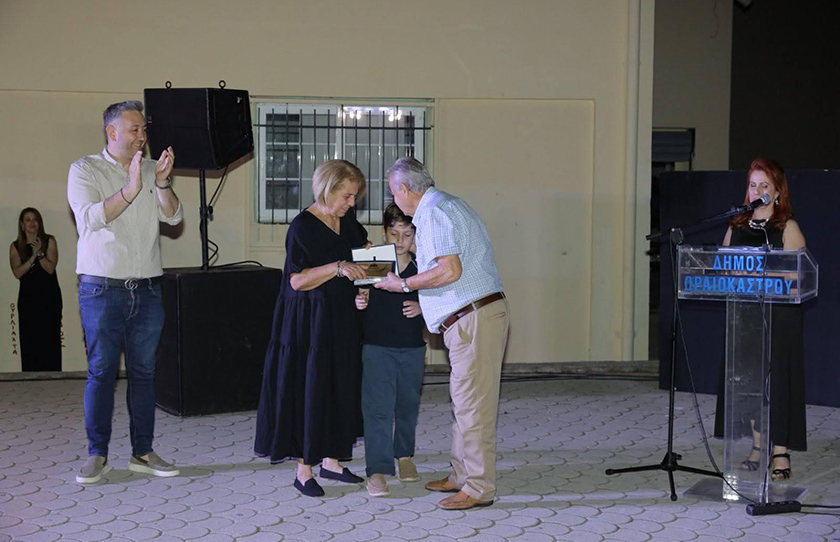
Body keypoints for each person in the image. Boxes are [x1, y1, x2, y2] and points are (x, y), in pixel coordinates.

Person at [376, 157, 509, 510]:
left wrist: (403, 284)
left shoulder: (434, 212)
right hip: (471, 318)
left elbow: (449, 270)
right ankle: (461, 475)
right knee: (464, 402)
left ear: (405, 189)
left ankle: (479, 487)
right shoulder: (445, 205)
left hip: (472, 318)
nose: (394, 199)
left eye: (393, 192)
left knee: (473, 407)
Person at [67, 100, 183, 484]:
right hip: (101, 289)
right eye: (134, 129)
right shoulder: (84, 169)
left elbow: (175, 216)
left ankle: (142, 453)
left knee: (144, 373)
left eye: (144, 129)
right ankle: (97, 454)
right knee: (101, 372)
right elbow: (90, 218)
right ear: (111, 132)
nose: (142, 137)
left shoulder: (151, 169)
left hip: (147, 289)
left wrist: (161, 182)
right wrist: (132, 188)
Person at [255, 159, 371, 497]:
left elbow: (362, 258)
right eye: (347, 196)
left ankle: (331, 461)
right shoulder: (302, 226)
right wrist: (338, 267)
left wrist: (365, 284)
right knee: (311, 387)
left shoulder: (347, 221)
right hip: (308, 321)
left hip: (341, 317)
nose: (352, 203)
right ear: (327, 189)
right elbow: (296, 280)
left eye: (355, 197)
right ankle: (303, 470)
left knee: (340, 384)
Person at [713, 158, 806, 481]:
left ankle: (779, 451)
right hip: (745, 317)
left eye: (765, 185)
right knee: (748, 383)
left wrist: (764, 276)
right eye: (753, 185)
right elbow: (723, 269)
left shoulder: (787, 228)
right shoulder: (736, 226)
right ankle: (757, 446)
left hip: (779, 318)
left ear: (778, 192)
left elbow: (798, 276)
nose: (758, 191)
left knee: (776, 383)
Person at [355, 203, 426, 497]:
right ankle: (377, 469)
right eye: (394, 234)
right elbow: (361, 294)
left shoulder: (423, 267)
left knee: (407, 406)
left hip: (412, 348)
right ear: (384, 233)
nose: (400, 241)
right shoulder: (376, 261)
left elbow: (438, 300)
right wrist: (360, 301)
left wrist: (422, 308)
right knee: (378, 410)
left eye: (407, 234)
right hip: (377, 347)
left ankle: (404, 455)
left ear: (416, 236)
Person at [9, 208, 63, 371]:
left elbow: (50, 269)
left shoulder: (49, 241)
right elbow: (17, 273)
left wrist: (40, 254)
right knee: (29, 340)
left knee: (50, 340)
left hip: (49, 299)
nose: (32, 223)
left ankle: (53, 378)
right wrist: (32, 257)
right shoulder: (16, 247)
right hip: (28, 301)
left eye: (35, 219)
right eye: (28, 220)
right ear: (22, 225)